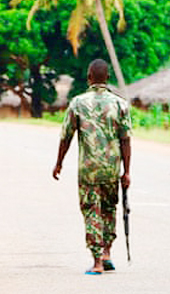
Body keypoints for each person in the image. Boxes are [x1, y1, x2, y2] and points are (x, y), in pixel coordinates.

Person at [53, 59, 132, 275]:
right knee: (109, 209)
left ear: (89, 77)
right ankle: (106, 253)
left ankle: (97, 261)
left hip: (88, 170)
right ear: (107, 78)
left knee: (91, 211)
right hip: (111, 169)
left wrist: (59, 163)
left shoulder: (78, 103)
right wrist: (127, 171)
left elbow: (65, 137)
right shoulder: (119, 104)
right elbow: (126, 140)